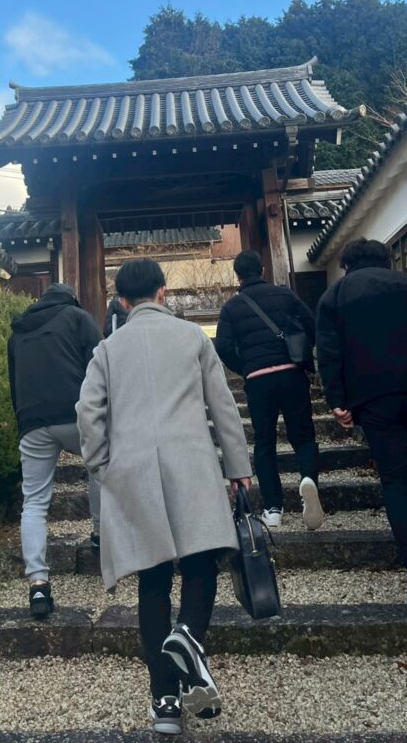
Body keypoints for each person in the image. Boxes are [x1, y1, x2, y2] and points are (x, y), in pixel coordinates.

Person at [77, 259, 251, 735]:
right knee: (200, 564)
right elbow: (223, 407)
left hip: (132, 470)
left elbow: (88, 414)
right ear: (163, 293)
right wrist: (238, 468)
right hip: (190, 461)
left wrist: (102, 466)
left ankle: (166, 702)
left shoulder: (107, 350)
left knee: (152, 582)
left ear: (121, 301)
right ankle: (189, 634)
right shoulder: (193, 338)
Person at [315, 238, 407, 620]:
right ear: (387, 260)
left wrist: (338, 400)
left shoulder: (336, 296)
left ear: (346, 265)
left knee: (399, 482)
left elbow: (329, 353)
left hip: (376, 399)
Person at [7, 283, 102, 619]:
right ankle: (100, 535)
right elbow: (99, 367)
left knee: (34, 501)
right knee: (98, 468)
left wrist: (23, 421)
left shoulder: (18, 331)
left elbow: (14, 384)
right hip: (75, 413)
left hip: (32, 420)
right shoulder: (77, 317)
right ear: (71, 299)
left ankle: (38, 583)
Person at [215, 249, 323, 532]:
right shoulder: (285, 295)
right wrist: (300, 352)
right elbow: (311, 325)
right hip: (291, 373)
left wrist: (245, 366)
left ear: (237, 276)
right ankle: (308, 479)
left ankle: (273, 508)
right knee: (303, 434)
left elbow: (223, 346)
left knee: (264, 442)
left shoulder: (231, 308)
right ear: (262, 270)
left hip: (258, 379)